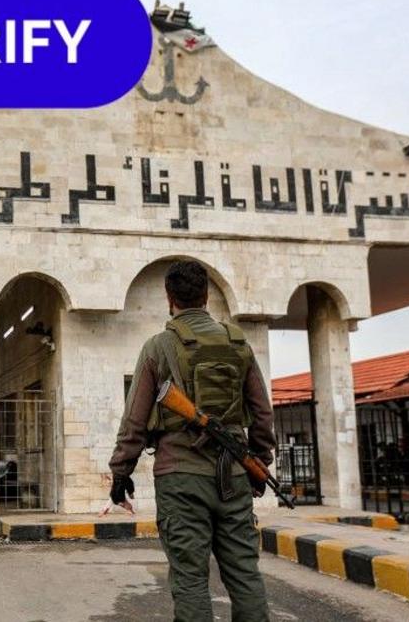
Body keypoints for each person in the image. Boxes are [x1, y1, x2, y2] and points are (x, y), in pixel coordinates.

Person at [107, 260, 276, 622]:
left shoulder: (158, 347)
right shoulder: (239, 345)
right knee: (245, 574)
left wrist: (121, 472)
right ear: (207, 296)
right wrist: (258, 463)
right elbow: (263, 413)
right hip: (234, 476)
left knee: (190, 579)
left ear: (169, 298)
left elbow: (134, 419)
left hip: (180, 478)